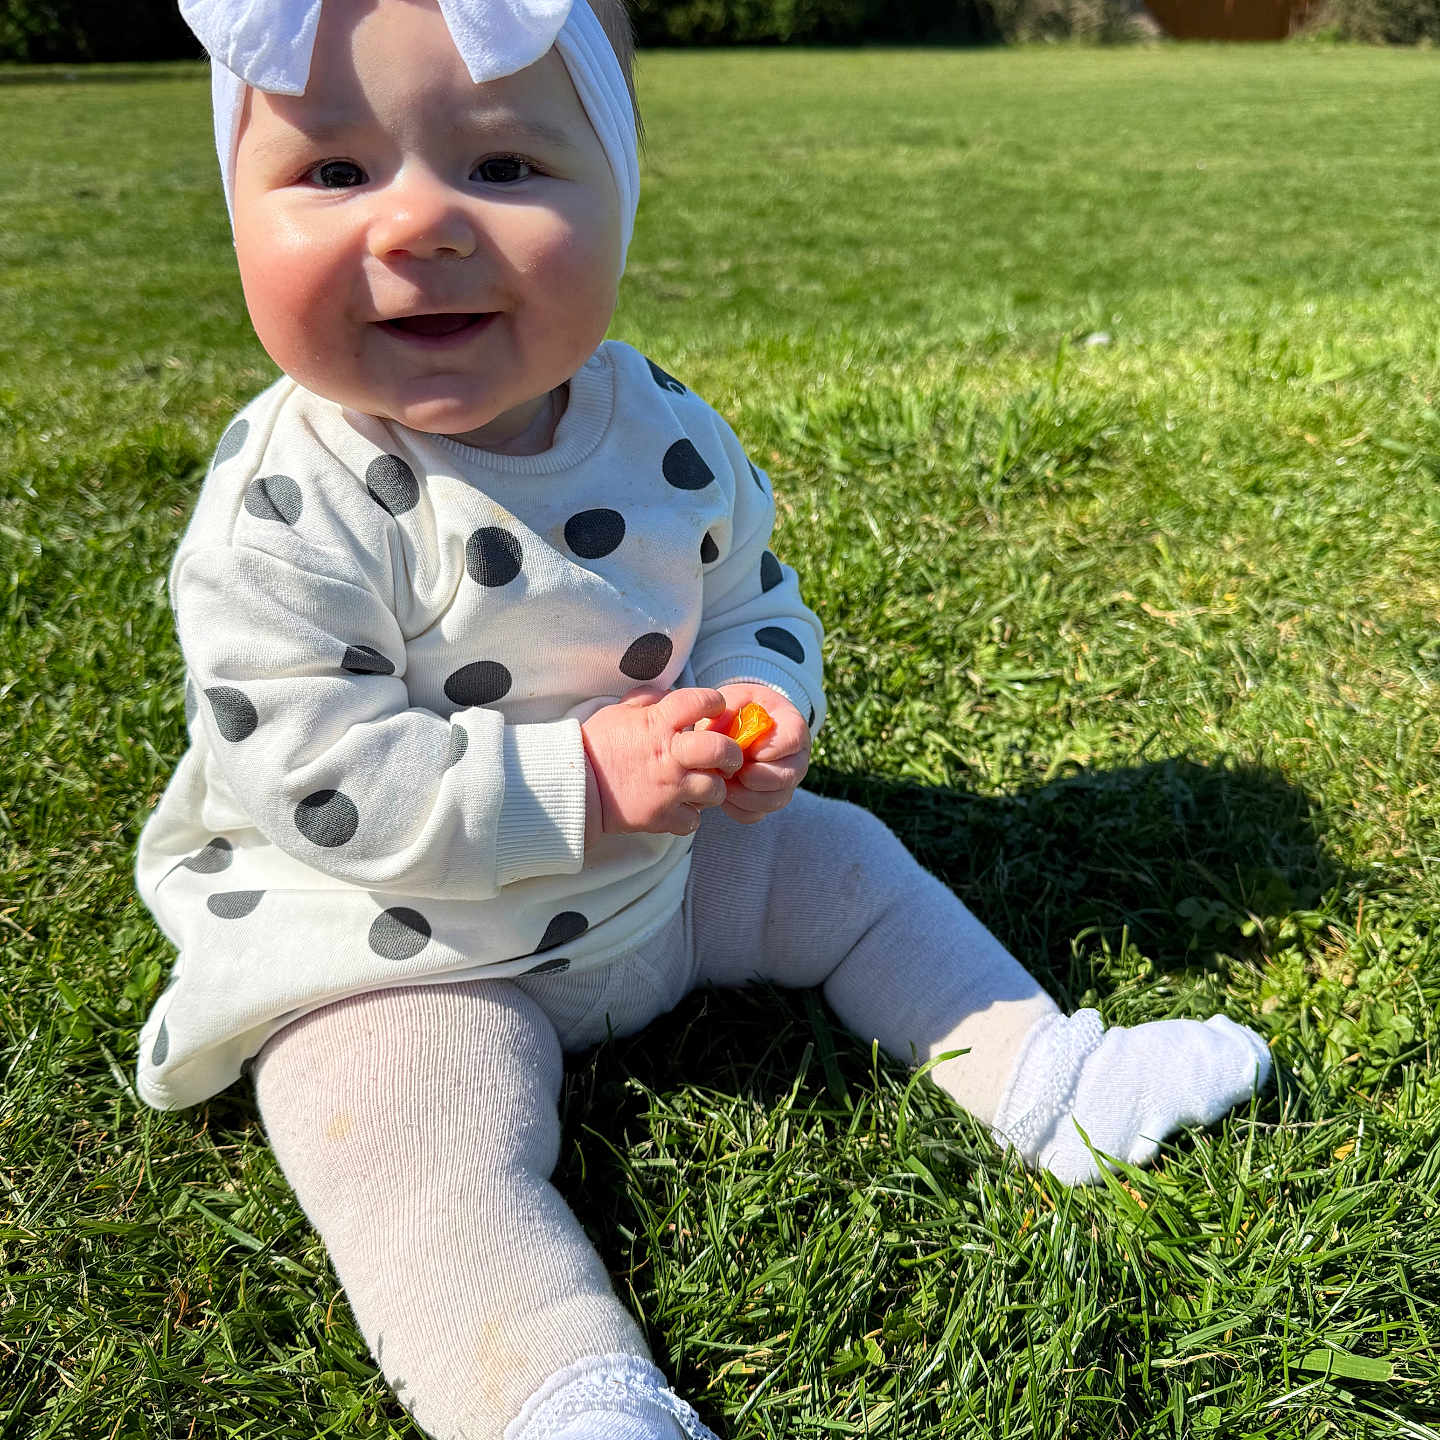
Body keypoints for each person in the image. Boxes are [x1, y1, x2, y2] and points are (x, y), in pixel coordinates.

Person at [136, 2, 1272, 1436]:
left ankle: (1049, 1077)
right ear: (235, 203)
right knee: (410, 1145)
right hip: (398, 941)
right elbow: (315, 777)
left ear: (619, 192)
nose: (420, 222)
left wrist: (760, 698)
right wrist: (580, 784)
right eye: (335, 173)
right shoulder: (289, 501)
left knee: (849, 864)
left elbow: (752, 599)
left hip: (660, 882)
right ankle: (560, 1394)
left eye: (502, 167)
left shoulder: (661, 426)